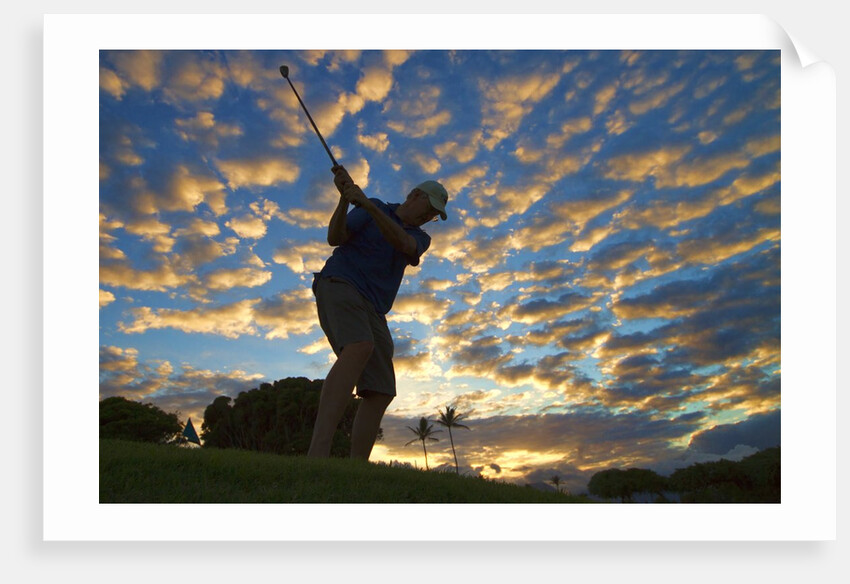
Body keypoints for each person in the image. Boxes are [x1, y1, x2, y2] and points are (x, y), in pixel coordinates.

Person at [307, 165, 448, 460]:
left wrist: (368, 204)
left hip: (373, 307)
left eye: (434, 215)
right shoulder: (376, 207)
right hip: (339, 282)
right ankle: (317, 453)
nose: (429, 217)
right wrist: (345, 198)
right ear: (414, 195)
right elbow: (335, 238)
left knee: (382, 388)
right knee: (359, 346)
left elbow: (404, 244)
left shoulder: (420, 237)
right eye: (430, 207)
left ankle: (356, 466)